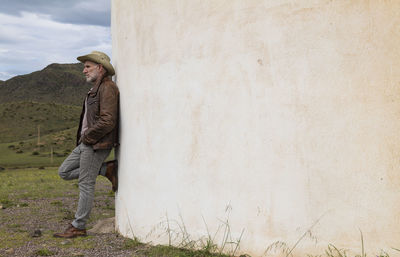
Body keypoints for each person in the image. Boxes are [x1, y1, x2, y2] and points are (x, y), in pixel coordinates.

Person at [53, 51, 119, 238]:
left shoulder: (107, 87)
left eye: (87, 66)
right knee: (64, 172)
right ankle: (105, 169)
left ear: (100, 67)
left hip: (96, 144)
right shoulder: (95, 89)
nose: (84, 70)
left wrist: (88, 137)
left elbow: (108, 120)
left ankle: (78, 226)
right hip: (87, 143)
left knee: (85, 183)